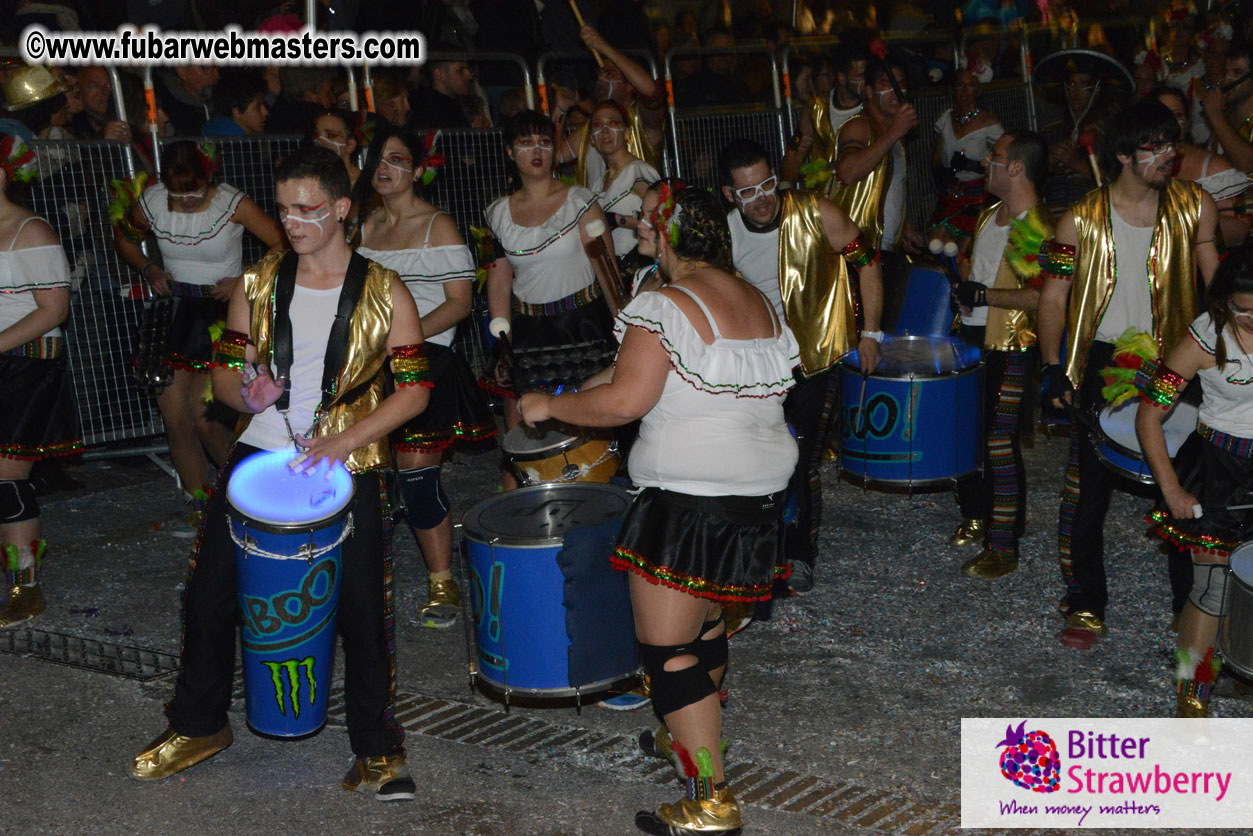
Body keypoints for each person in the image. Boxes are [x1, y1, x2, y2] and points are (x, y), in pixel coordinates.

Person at [130, 147, 429, 797]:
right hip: (260, 453)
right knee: (208, 594)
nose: (290, 221)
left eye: (306, 209)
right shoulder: (258, 283)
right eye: (283, 208)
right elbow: (224, 379)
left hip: (353, 463)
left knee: (362, 611)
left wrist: (343, 438)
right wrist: (248, 397)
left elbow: (414, 390)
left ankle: (378, 748)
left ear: (342, 210)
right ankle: (199, 723)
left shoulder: (384, 288)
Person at [518, 189, 798, 835]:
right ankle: (697, 740)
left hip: (687, 497)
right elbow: (662, 378)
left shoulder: (662, 303)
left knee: (666, 651)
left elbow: (625, 403)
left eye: (647, 214)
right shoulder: (752, 296)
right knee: (704, 632)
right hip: (756, 497)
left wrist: (547, 407)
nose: (638, 222)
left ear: (667, 231)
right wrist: (582, 388)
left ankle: (710, 799)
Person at [1038, 98, 1220, 649]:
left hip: (1177, 355)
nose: (1170, 155)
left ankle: (1187, 609)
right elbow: (1053, 297)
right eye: (1155, 146)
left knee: (1188, 484)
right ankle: (1085, 601)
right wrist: (1052, 367)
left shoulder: (1197, 206)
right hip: (1104, 357)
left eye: (1173, 143)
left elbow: (1217, 286)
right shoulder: (1080, 217)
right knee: (1087, 487)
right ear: (1122, 155)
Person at [720, 138, 884, 593]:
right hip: (754, 365)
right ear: (729, 195)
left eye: (767, 184)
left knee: (800, 459)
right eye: (748, 191)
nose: (762, 198)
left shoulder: (817, 211)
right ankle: (755, 551)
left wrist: (871, 333)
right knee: (752, 459)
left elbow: (867, 262)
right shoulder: (724, 234)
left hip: (815, 356)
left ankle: (798, 554)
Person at [355, 126, 495, 628]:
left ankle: (442, 581)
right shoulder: (365, 227)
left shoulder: (440, 227)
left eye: (397, 159)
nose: (385, 169)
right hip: (370, 366)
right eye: (377, 159)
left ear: (417, 169)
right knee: (368, 478)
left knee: (416, 477)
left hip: (425, 360)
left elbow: (460, 304)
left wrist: (405, 341)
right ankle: (368, 577)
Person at [114, 141, 284, 531]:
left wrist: (243, 279)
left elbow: (280, 242)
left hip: (221, 314)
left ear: (208, 181)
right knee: (175, 419)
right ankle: (200, 502)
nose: (187, 202)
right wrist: (148, 269)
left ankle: (250, 492)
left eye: (194, 194)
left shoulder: (232, 203)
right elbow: (122, 237)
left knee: (205, 417)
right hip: (175, 312)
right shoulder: (153, 200)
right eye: (179, 195)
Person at [1137, 246, 1253, 717]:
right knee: (1212, 588)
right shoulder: (1205, 337)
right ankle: (1193, 689)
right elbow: (1149, 415)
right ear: (1225, 301)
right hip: (1219, 467)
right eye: (1243, 310)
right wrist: (1171, 489)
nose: (1252, 319)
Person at [483, 110, 618, 480]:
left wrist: (624, 326)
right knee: (526, 429)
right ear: (510, 152)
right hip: (529, 330)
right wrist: (503, 343)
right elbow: (499, 277)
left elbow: (607, 269)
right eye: (526, 143)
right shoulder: (497, 213)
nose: (537, 151)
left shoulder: (581, 201)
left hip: (584, 325)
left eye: (544, 141)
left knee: (593, 425)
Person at [948, 131, 1052, 577]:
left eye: (996, 156)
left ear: (1015, 168)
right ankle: (978, 514)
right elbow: (980, 270)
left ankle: (1004, 544)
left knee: (999, 442)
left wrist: (986, 295)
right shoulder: (990, 214)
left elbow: (1042, 297)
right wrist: (966, 291)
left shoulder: (1037, 227)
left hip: (1011, 345)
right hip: (972, 337)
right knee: (970, 433)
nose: (986, 161)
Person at [0, 130, 82, 628]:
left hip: (28, 367)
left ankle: (25, 588)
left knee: (7, 482)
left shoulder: (32, 232)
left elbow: (54, 310)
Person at [829, 53, 923, 254]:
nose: (896, 91)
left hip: (886, 247)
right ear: (869, 91)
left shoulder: (895, 133)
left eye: (900, 84)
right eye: (886, 84)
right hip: (859, 252)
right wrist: (895, 132)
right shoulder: (858, 127)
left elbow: (889, 189)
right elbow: (847, 172)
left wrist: (903, 227)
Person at [926, 65, 1004, 251]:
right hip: (952, 192)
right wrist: (945, 178)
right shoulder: (946, 119)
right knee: (936, 243)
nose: (964, 91)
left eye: (970, 85)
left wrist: (972, 165)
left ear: (979, 90)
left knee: (963, 249)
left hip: (978, 197)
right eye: (960, 85)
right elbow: (936, 159)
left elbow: (1002, 161)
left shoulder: (989, 122)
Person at [780, 41, 868, 189]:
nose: (866, 81)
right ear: (841, 77)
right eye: (860, 76)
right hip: (827, 200)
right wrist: (785, 185)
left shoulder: (874, 107)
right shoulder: (815, 108)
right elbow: (796, 147)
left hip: (864, 200)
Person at [589, 100, 660, 265]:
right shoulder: (598, 183)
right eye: (598, 125)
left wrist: (618, 219)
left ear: (627, 133)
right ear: (592, 139)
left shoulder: (638, 171)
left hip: (642, 264)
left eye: (613, 123)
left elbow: (663, 221)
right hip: (615, 269)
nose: (605, 131)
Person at [202, 71, 270, 137]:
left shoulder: (214, 132)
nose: (265, 112)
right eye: (258, 107)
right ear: (237, 112)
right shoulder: (230, 144)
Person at [310, 109, 361, 188]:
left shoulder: (363, 185)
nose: (320, 141)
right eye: (316, 135)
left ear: (350, 145)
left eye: (330, 135)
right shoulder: (309, 181)